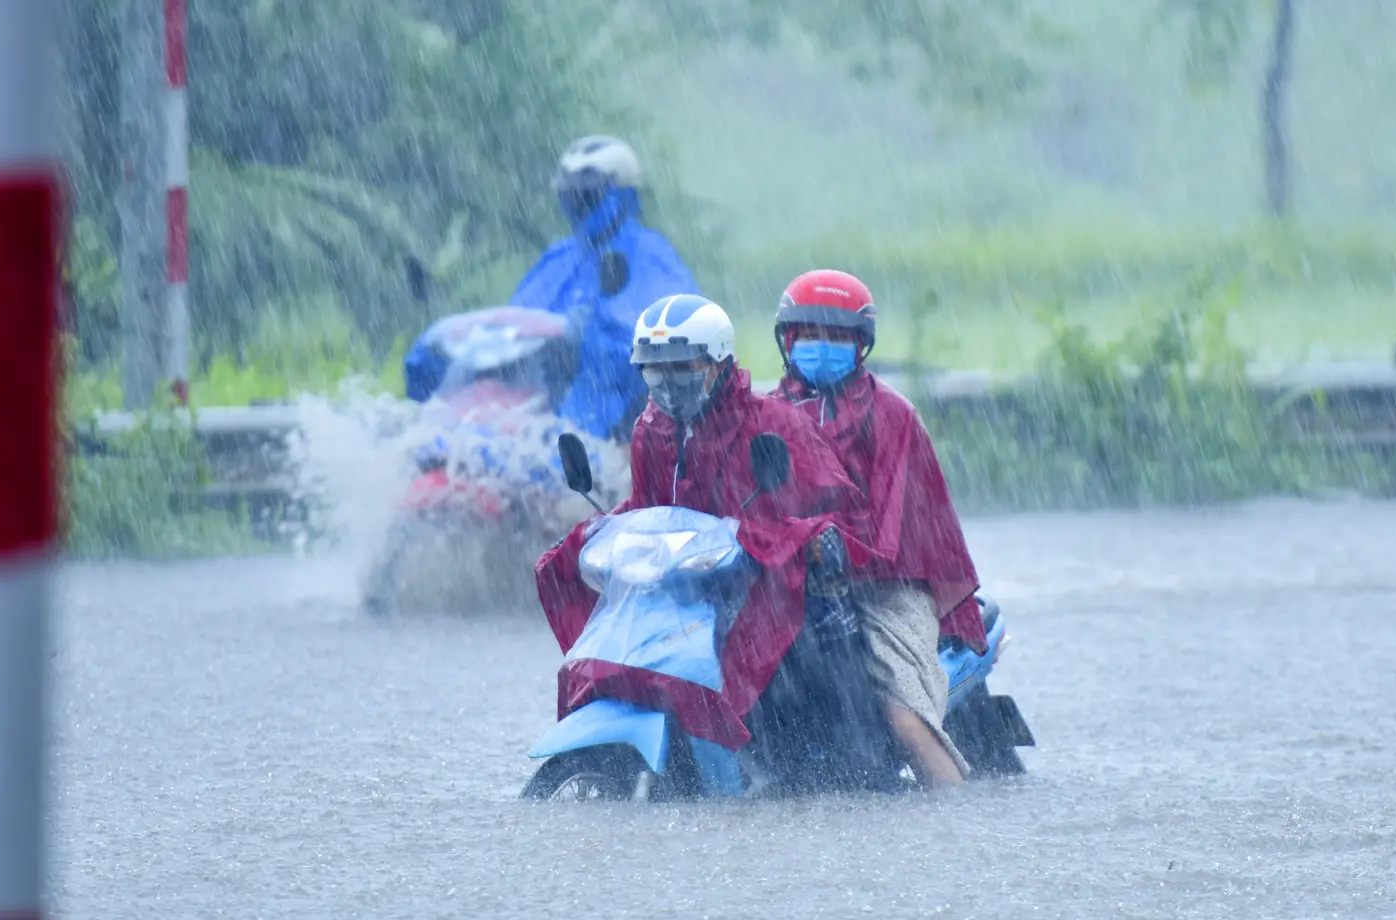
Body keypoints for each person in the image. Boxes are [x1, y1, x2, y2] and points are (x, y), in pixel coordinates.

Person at [535, 294, 869, 755]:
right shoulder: (650, 431)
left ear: (718, 363)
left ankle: (856, 764)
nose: (669, 385)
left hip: (768, 583)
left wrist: (796, 540)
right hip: (690, 585)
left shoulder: (773, 423)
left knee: (813, 653)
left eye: (682, 369)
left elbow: (831, 506)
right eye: (656, 372)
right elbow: (650, 509)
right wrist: (601, 531)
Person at [770, 269, 987, 786]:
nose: (822, 346)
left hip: (886, 585)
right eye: (811, 335)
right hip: (792, 584)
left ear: (860, 344)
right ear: (789, 340)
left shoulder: (892, 416)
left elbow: (886, 529)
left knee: (902, 713)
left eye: (837, 336)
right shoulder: (768, 413)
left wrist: (826, 543)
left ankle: (961, 817)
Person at [404, 136, 696, 440]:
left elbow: (652, 349)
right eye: (570, 198)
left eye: (586, 197)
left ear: (622, 196)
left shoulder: (651, 257)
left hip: (604, 421)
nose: (578, 207)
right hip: (537, 408)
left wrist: (580, 339)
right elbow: (514, 328)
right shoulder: (559, 257)